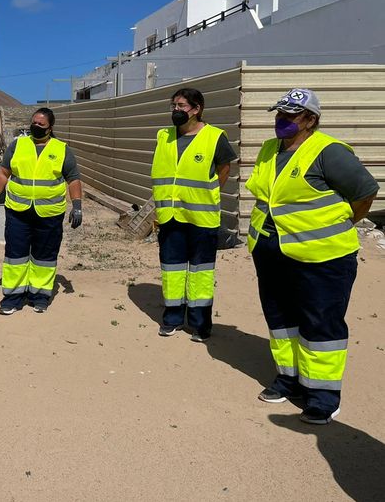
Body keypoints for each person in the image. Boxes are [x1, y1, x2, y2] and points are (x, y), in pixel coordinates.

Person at [246, 88, 377, 424]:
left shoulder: (328, 151)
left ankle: (322, 396)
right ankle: (289, 380)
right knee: (282, 321)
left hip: (323, 257)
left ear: (310, 120)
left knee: (321, 324)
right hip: (272, 252)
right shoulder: (268, 150)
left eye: (291, 115)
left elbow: (364, 194)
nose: (282, 121)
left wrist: (343, 222)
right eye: (280, 114)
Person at [151, 88, 237, 341]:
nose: (176, 110)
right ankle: (172, 318)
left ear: (196, 109)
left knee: (201, 272)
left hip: (201, 217)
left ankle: (199, 324)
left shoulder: (214, 137)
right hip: (170, 216)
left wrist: (209, 194)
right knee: (172, 270)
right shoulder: (163, 136)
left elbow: (224, 168)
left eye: (181, 106)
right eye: (173, 106)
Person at [0, 107, 82, 315]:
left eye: (41, 124)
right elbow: (4, 172)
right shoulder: (18, 145)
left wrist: (77, 206)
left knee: (44, 256)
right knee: (15, 255)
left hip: (49, 214)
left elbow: (73, 178)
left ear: (50, 127)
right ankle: (12, 297)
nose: (36, 127)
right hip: (18, 212)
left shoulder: (61, 149)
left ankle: (39, 296)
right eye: (34, 123)